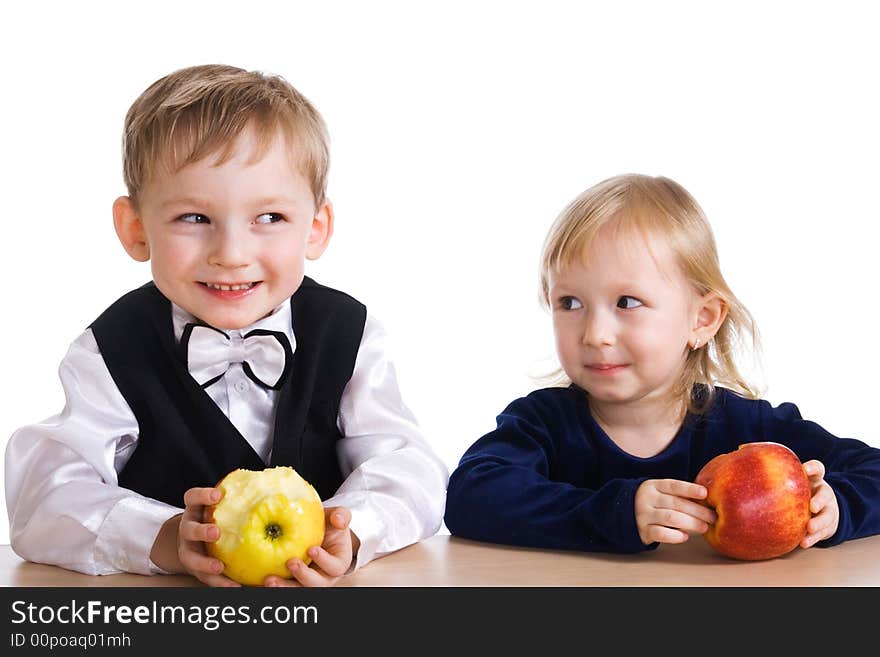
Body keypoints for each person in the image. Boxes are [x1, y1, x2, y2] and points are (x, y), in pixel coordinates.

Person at [4, 64, 448, 586]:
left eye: (270, 218)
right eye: (194, 218)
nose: (232, 255)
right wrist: (161, 535)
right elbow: (44, 495)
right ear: (135, 228)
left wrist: (352, 531)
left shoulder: (347, 333)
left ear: (316, 227)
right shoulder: (112, 348)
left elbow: (411, 467)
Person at [444, 173, 880, 554]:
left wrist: (838, 505)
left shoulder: (749, 430)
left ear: (701, 319)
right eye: (570, 302)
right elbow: (470, 496)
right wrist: (615, 513)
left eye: (627, 302)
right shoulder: (543, 424)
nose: (595, 333)